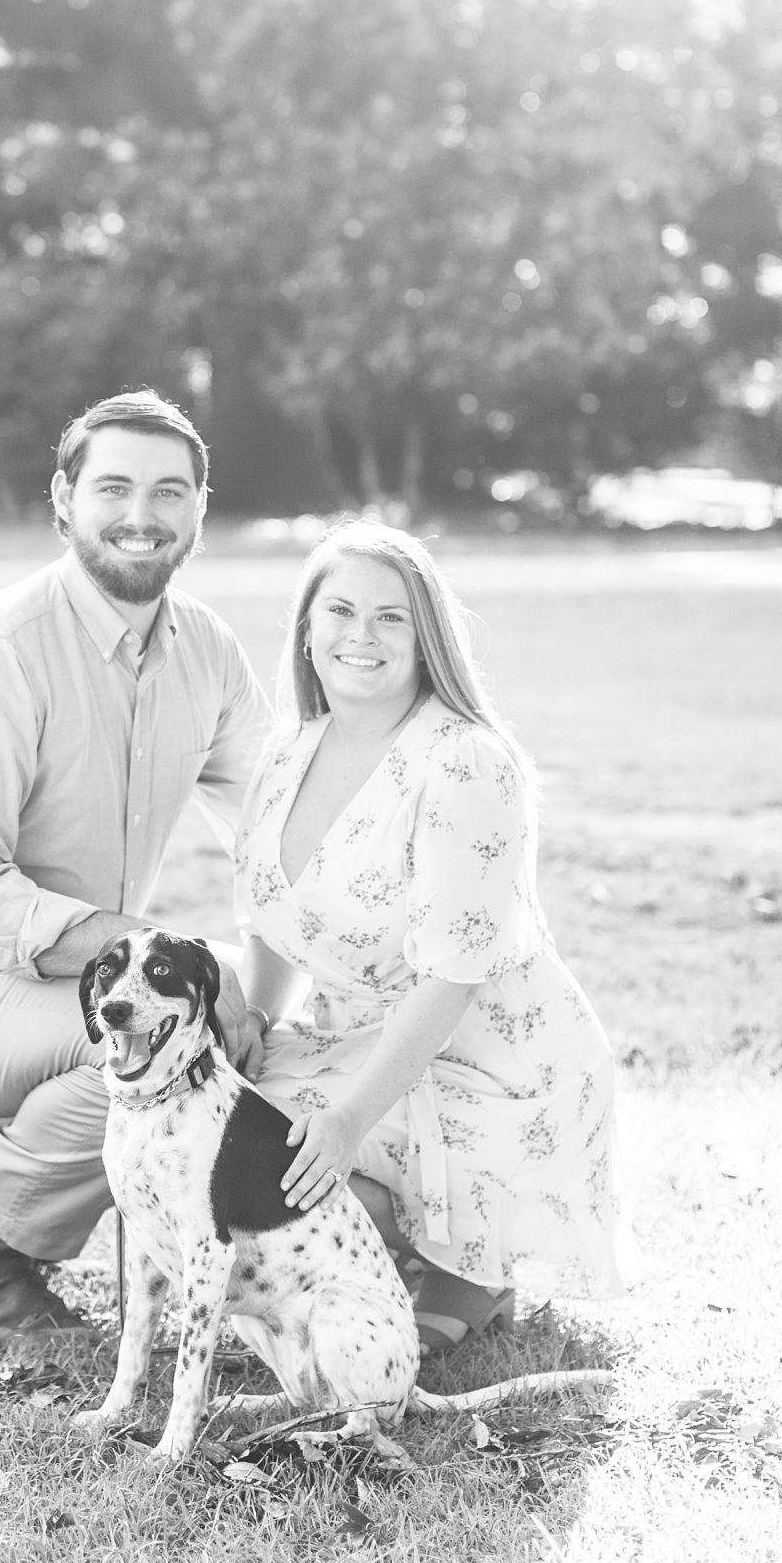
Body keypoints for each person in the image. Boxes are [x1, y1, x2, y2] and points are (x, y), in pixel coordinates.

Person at [0, 390, 273, 1348]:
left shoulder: (206, 648)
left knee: (261, 1007)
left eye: (170, 491)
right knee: (173, 1035)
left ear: (201, 507)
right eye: (112, 486)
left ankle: (3, 1168)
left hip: (59, 974)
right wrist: (168, 955)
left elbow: (278, 820)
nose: (141, 515)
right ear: (63, 500)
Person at [233, 520, 635, 1354]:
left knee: (288, 1178)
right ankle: (384, 1235)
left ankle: (464, 1268)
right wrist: (253, 1034)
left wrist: (344, 1122)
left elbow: (449, 981)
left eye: (392, 617)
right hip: (351, 1035)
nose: (361, 636)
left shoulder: (464, 763)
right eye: (341, 611)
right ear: (307, 631)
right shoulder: (283, 754)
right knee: (219, 1150)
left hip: (481, 1061)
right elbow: (271, 928)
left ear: (428, 638)